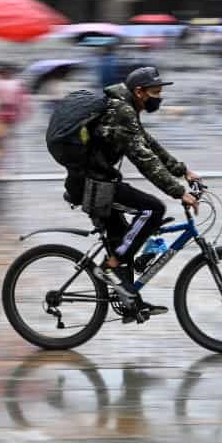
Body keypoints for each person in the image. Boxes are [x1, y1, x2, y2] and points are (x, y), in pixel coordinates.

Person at [63, 66, 201, 321]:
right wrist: (178, 191)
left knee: (124, 241)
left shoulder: (126, 109)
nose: (159, 98)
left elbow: (148, 144)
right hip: (93, 186)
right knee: (153, 210)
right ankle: (109, 267)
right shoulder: (122, 111)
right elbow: (144, 159)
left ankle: (130, 304)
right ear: (139, 92)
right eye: (155, 93)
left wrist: (183, 170)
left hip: (97, 181)